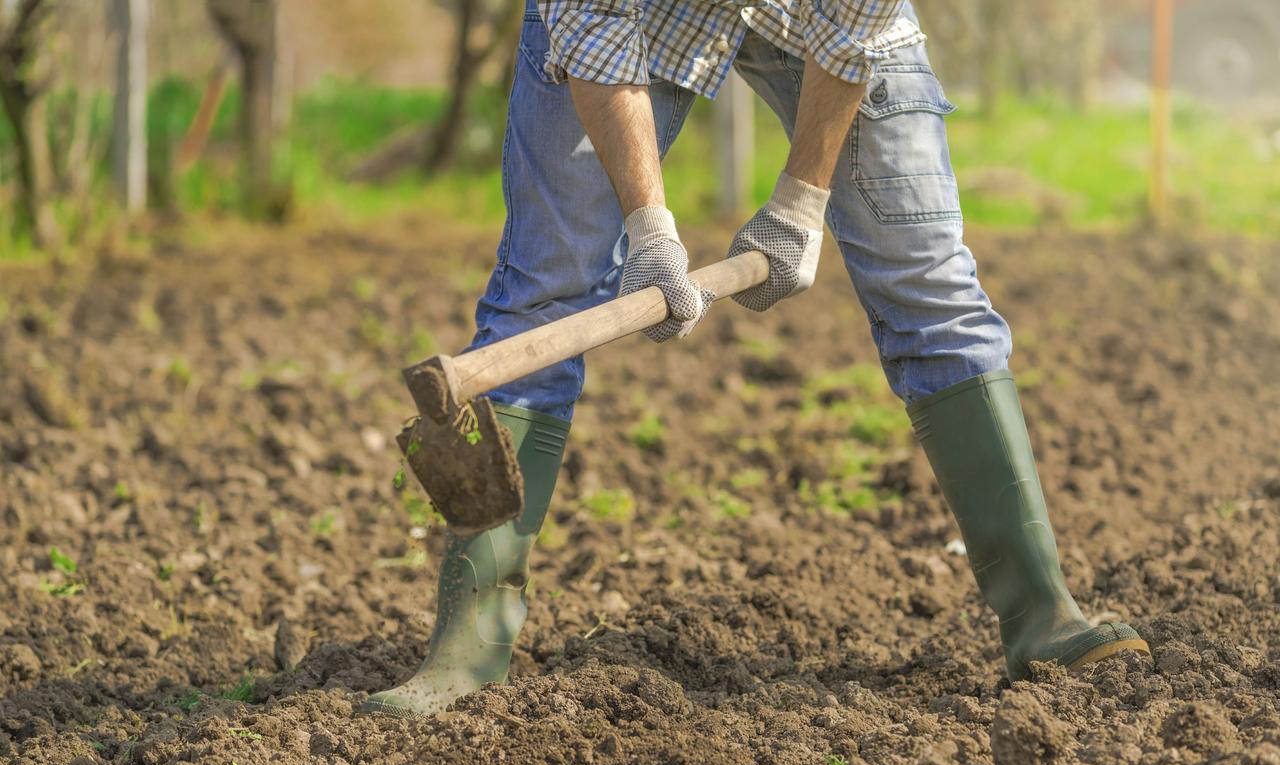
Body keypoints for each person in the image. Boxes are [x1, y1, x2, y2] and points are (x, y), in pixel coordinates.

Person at [360, 0, 1149, 718]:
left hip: (820, 16)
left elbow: (855, 25)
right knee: (546, 281)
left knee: (925, 275)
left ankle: (1042, 615)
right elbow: (593, 24)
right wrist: (650, 228)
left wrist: (801, 205)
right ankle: (468, 652)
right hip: (632, 17)